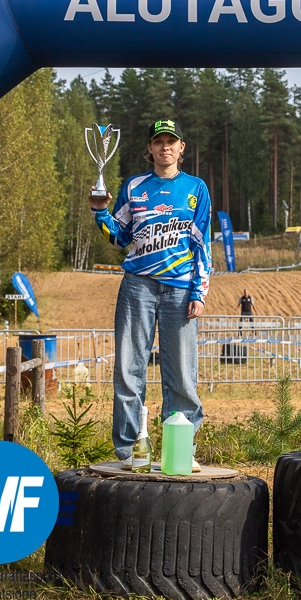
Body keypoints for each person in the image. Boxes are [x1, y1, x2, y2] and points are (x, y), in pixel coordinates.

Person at [91, 119, 211, 470]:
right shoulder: (134, 186)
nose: (165, 147)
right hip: (137, 287)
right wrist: (100, 212)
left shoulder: (196, 188)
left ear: (181, 147)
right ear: (150, 148)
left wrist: (199, 290)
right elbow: (119, 236)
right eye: (158, 142)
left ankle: (181, 447)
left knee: (182, 374)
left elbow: (203, 243)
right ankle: (130, 450)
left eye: (171, 141)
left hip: (180, 290)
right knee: (128, 369)